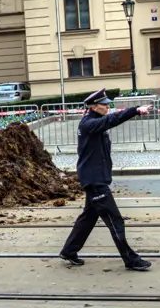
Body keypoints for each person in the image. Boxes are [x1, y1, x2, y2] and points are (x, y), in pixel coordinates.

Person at [59, 88, 154, 271]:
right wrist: (134, 110)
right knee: (115, 220)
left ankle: (69, 250)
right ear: (95, 107)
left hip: (95, 178)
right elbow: (112, 120)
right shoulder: (89, 124)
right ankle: (131, 260)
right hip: (95, 182)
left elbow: (108, 123)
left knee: (88, 217)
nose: (108, 107)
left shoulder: (94, 122)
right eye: (105, 105)